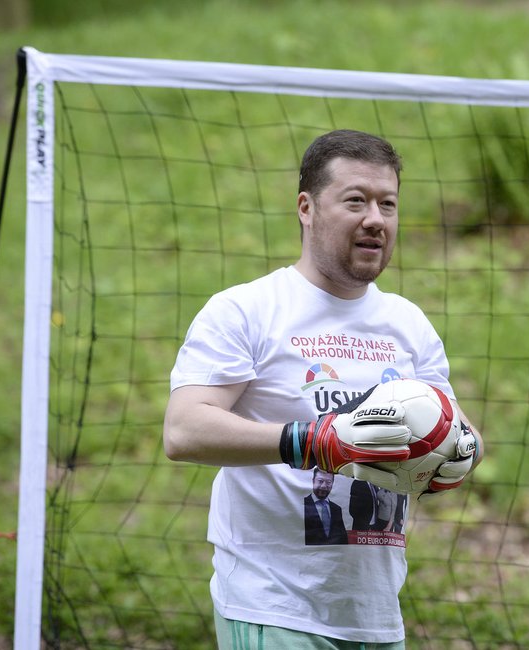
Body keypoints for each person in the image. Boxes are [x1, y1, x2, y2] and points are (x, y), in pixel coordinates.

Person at [163, 129, 483, 649]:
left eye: (388, 204)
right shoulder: (247, 310)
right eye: (355, 200)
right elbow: (184, 430)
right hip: (275, 605)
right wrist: (317, 441)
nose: (375, 218)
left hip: (375, 613)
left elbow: (461, 432)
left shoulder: (408, 323)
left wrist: (455, 455)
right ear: (306, 207)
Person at [305, 468, 349, 545]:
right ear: (313, 481)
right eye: (320, 481)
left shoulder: (337, 509)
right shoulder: (303, 504)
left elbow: (343, 538)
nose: (324, 486)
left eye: (328, 482)